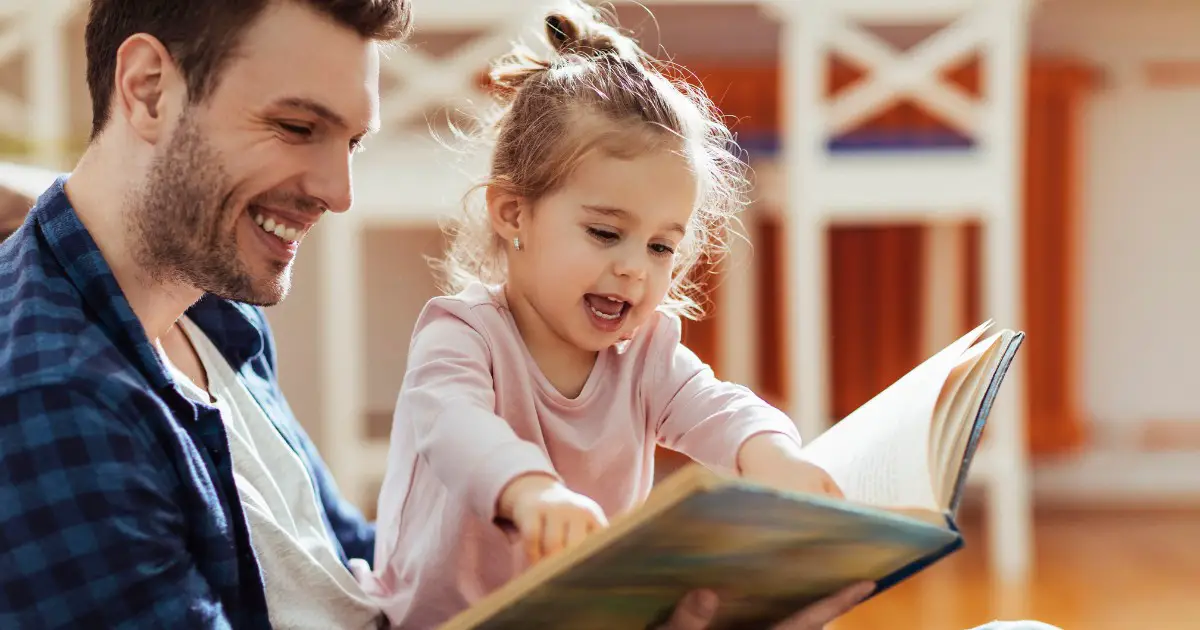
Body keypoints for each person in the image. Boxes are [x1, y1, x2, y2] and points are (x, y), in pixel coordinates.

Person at [0, 0, 872, 628]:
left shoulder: (202, 301)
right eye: (297, 125)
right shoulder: (58, 405)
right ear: (148, 89)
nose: (340, 194)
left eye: (352, 143)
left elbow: (357, 563)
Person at [359, 3, 857, 627]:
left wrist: (773, 455)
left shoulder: (644, 355)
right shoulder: (462, 335)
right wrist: (531, 490)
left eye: (660, 247)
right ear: (513, 214)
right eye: (604, 232)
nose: (635, 269)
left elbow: (720, 406)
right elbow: (455, 428)